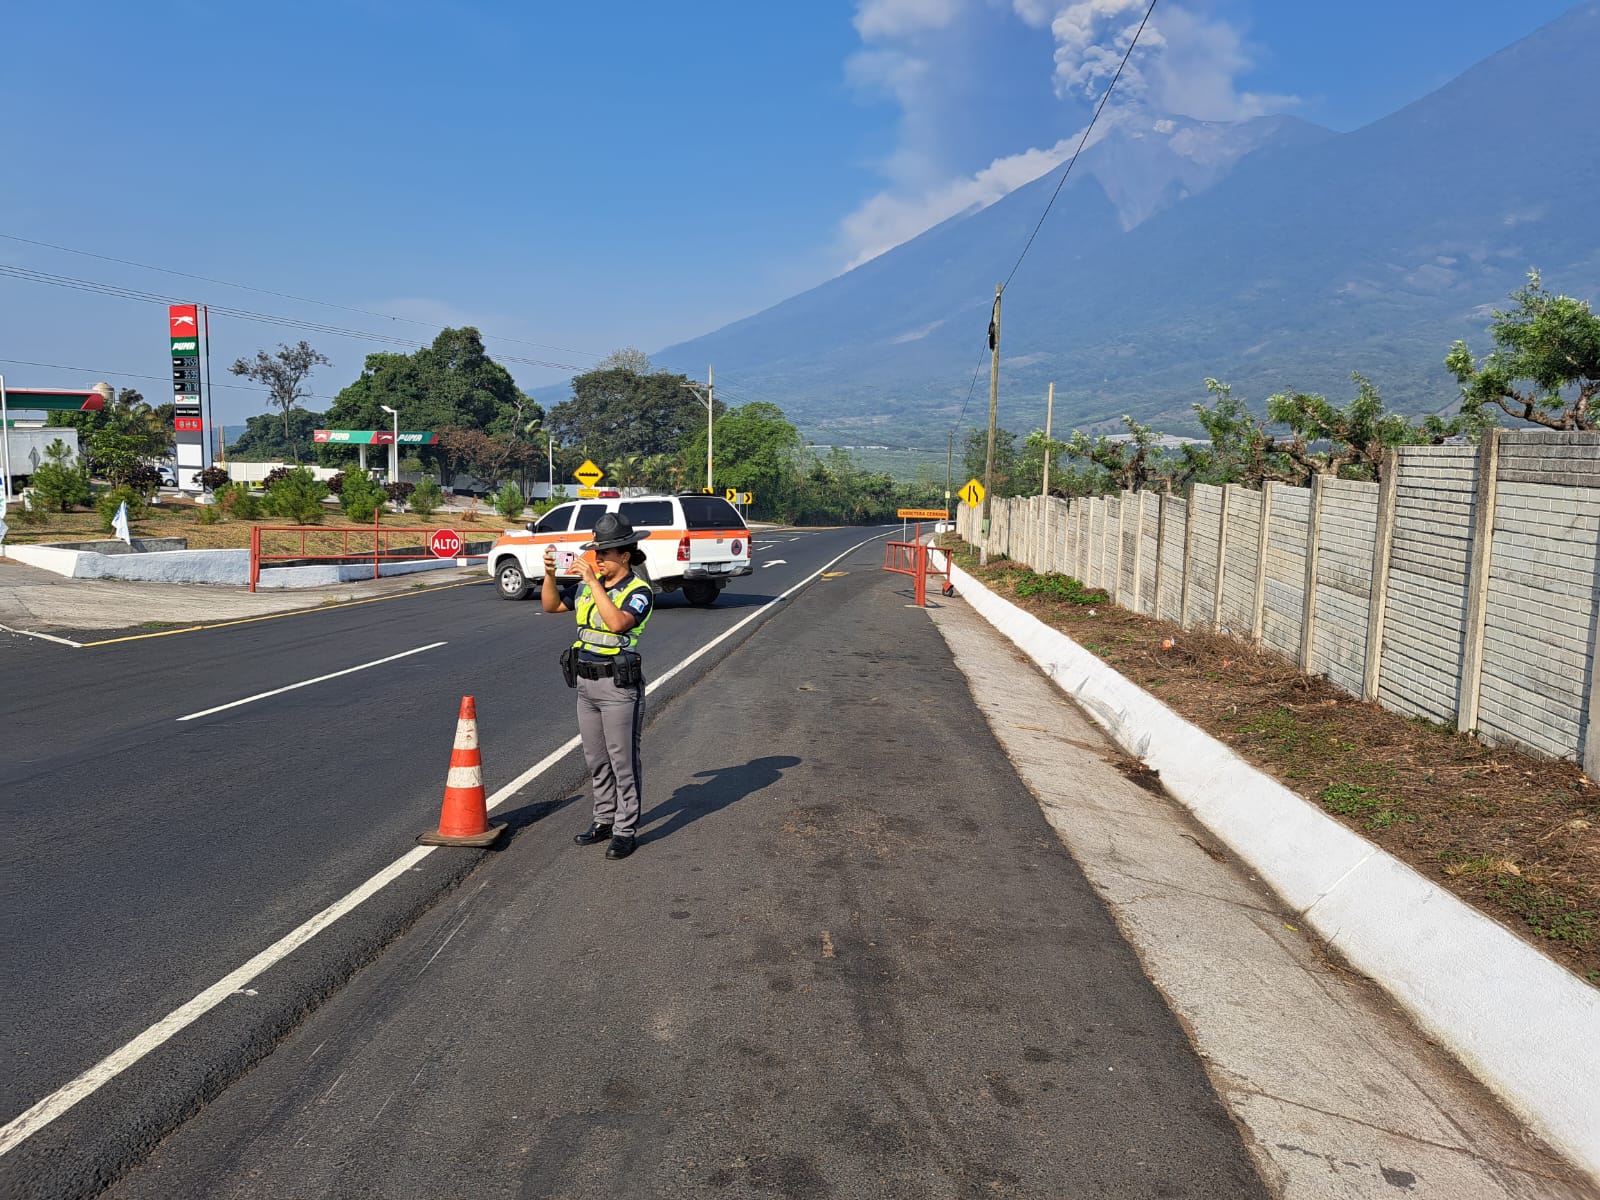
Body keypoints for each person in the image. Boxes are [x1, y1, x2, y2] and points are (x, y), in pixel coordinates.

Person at [541, 512, 655, 860]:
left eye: (604, 554)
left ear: (624, 554)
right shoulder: (588, 587)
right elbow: (551, 605)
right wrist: (549, 574)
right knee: (596, 760)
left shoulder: (639, 591)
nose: (598, 559)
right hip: (586, 685)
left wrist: (593, 583)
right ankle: (604, 818)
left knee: (623, 761)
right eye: (596, 553)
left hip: (618, 689)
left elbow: (618, 623)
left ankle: (625, 829)